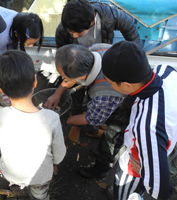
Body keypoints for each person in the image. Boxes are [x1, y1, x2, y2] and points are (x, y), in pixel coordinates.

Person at [0, 50, 66, 200]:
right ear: (35, 81)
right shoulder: (52, 118)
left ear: (0, 88)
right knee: (40, 193)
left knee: (15, 178)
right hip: (40, 176)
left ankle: (17, 186)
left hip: (11, 173)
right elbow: (59, 156)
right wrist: (54, 163)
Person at [44, 43, 135, 179]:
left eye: (66, 77)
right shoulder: (95, 50)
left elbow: (91, 118)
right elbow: (70, 80)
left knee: (110, 143)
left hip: (126, 110)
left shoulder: (104, 94)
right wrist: (57, 93)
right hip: (115, 97)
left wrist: (64, 120)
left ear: (81, 77)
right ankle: (98, 152)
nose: (65, 80)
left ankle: (100, 171)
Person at [102, 41, 177, 200]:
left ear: (128, 85)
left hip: (133, 171)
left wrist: (145, 171)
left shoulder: (147, 128)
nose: (109, 85)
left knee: (124, 192)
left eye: (110, 83)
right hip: (154, 148)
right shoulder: (165, 70)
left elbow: (162, 190)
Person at [56, 0, 141, 49]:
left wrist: (138, 55)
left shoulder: (109, 15)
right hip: (80, 59)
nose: (74, 36)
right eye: (71, 32)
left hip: (102, 55)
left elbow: (129, 27)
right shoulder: (62, 31)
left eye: (77, 32)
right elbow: (64, 56)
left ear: (90, 22)